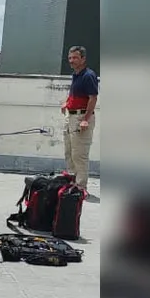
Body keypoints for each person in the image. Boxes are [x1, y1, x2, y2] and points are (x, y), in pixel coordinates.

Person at [61, 46, 98, 190]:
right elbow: (75, 94)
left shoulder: (88, 75)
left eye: (75, 58)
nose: (71, 61)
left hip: (81, 118)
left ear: (83, 59)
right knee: (69, 152)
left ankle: (81, 187)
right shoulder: (76, 75)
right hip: (70, 117)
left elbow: (93, 98)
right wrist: (67, 103)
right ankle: (72, 181)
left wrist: (85, 119)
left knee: (79, 155)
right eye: (70, 58)